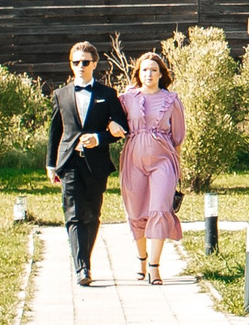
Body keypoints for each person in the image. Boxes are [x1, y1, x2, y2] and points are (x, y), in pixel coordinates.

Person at [47, 41, 125, 286]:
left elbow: (122, 128)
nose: (80, 66)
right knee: (73, 215)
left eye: (85, 62)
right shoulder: (60, 95)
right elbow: (55, 131)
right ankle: (82, 268)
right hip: (69, 162)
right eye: (75, 62)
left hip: (96, 163)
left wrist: (99, 138)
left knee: (92, 214)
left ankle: (85, 261)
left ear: (94, 64)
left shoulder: (108, 94)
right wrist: (51, 164)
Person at [117, 49, 185, 285]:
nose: (149, 74)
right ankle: (141, 260)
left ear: (161, 74)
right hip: (133, 159)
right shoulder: (126, 98)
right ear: (138, 73)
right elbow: (114, 123)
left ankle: (155, 268)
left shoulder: (171, 100)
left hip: (163, 160)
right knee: (136, 212)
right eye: (145, 69)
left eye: (154, 70)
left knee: (159, 210)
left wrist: (178, 170)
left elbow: (178, 138)